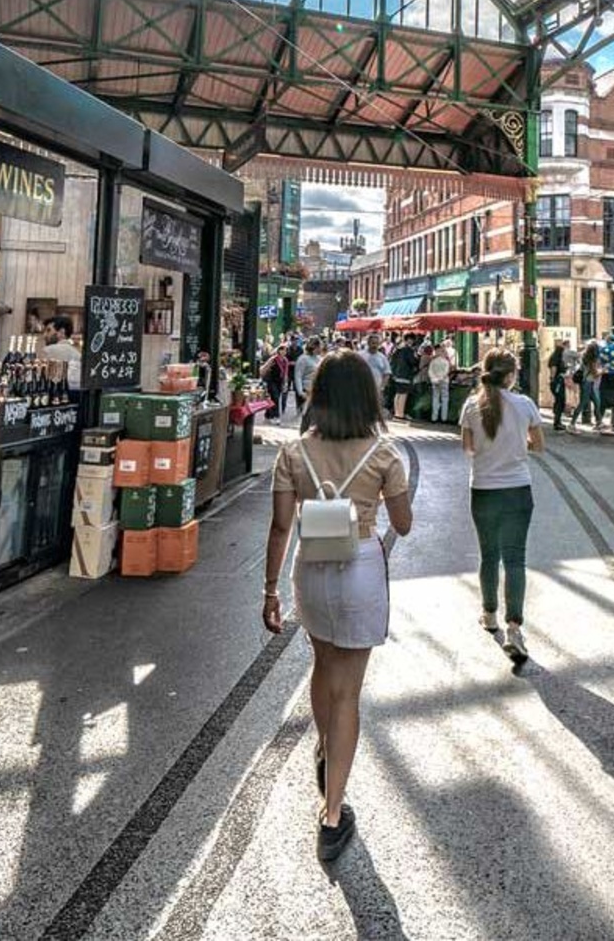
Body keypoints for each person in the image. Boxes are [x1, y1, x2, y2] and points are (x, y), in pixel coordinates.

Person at [263, 352, 412, 862]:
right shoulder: (385, 454)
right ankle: (332, 815)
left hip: (311, 568)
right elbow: (406, 523)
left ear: (317, 395)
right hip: (360, 567)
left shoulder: (293, 454)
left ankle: (326, 748)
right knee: (348, 691)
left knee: (322, 665)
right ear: (368, 397)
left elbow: (281, 527)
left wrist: (269, 592)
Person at [459, 350, 544, 665]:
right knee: (515, 559)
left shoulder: (471, 406)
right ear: (511, 375)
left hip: (483, 490)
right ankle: (514, 628)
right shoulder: (525, 405)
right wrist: (518, 445)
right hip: (517, 490)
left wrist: (487, 449)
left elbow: (467, 448)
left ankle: (489, 614)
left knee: (489, 555)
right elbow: (539, 446)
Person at [39, 318, 82, 389]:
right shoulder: (78, 354)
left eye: (49, 330)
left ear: (61, 332)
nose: (45, 335)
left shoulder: (47, 351)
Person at [545, 337, 574, 431]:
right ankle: (557, 422)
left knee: (559, 401)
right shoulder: (556, 358)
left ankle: (557, 421)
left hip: (557, 381)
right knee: (560, 401)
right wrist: (553, 378)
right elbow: (554, 368)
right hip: (558, 381)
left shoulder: (554, 357)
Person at [423, 341, 455, 423]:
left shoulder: (433, 361)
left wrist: (434, 379)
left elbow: (430, 371)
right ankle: (444, 418)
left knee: (435, 398)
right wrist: (440, 378)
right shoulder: (446, 362)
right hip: (444, 381)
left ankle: (434, 417)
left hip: (434, 381)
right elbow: (446, 372)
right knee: (445, 399)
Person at [576, 340, 603, 429]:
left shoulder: (584, 356)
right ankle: (572, 423)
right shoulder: (592, 360)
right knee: (583, 403)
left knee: (596, 402)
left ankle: (599, 422)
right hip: (588, 382)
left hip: (587, 382)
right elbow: (595, 374)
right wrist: (603, 371)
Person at [263, 344, 292, 420]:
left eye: (285, 350)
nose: (284, 352)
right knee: (275, 397)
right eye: (282, 350)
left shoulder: (285, 360)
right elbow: (266, 367)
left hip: (280, 381)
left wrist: (285, 382)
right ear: (279, 350)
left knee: (275, 398)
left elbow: (286, 372)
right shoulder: (274, 359)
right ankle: (275, 415)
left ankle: (268, 414)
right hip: (272, 380)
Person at [296, 340, 325, 408]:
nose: (322, 348)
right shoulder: (303, 359)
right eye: (320, 346)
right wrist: (300, 392)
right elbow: (298, 376)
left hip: (318, 391)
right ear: (315, 347)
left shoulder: (320, 359)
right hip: (306, 391)